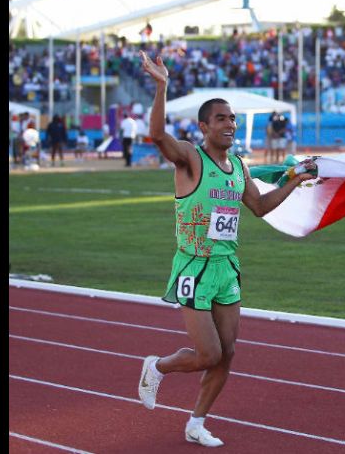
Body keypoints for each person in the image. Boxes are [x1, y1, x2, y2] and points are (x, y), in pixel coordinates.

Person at [136, 50, 317, 447]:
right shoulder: (190, 158)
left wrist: (294, 181)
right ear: (204, 126)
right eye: (221, 118)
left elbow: (259, 206)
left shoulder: (238, 166)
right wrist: (162, 86)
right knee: (208, 354)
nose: (230, 124)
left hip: (226, 268)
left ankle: (196, 423)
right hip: (193, 266)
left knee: (228, 352)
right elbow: (158, 136)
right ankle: (158, 366)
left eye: (232, 118)